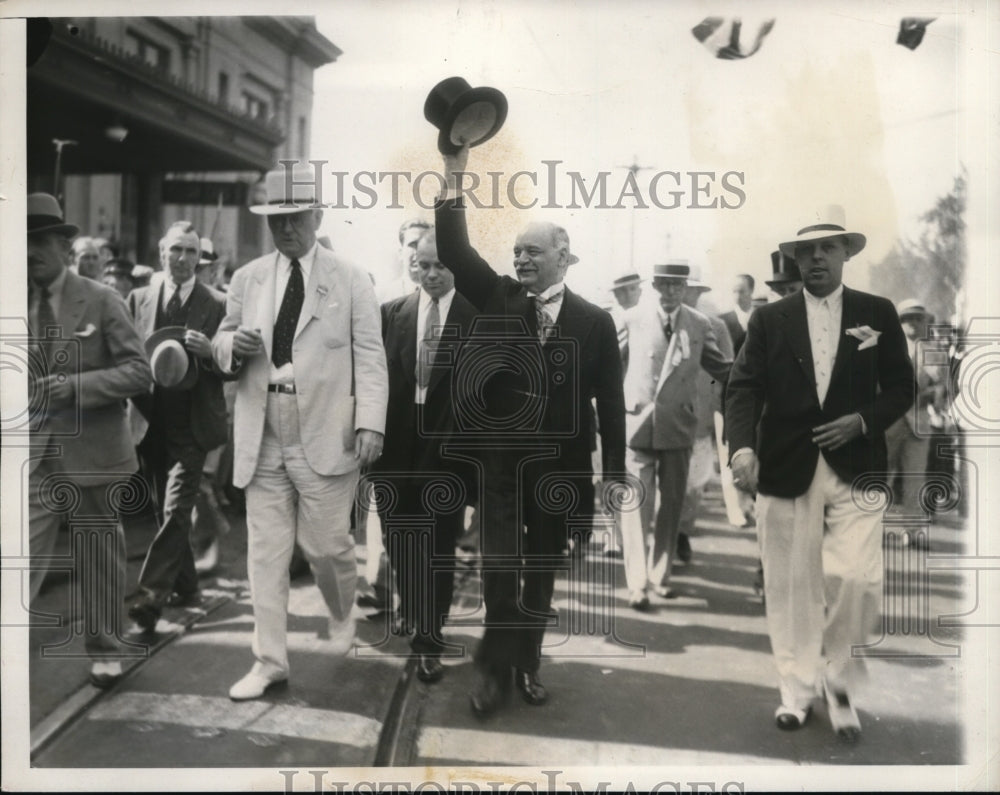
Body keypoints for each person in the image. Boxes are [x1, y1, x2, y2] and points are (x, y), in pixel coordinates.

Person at [436, 142, 625, 717]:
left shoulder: (594, 322)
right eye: (516, 251)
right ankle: (492, 673)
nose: (521, 260)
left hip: (560, 470)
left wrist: (611, 476)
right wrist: (454, 174)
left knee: (540, 574)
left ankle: (527, 664)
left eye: (533, 251)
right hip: (499, 466)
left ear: (564, 257)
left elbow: (611, 406)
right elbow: (453, 247)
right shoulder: (497, 296)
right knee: (499, 569)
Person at [726, 205, 914, 741]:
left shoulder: (876, 313)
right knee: (789, 585)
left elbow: (902, 387)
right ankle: (796, 691)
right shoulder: (769, 319)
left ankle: (840, 680)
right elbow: (743, 389)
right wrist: (741, 449)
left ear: (846, 255)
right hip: (787, 465)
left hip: (857, 465)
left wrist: (862, 421)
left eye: (826, 249)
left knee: (856, 577)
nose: (814, 259)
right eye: (805, 252)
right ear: (795, 260)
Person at [212, 163, 388, 701]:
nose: (286, 229)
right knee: (264, 553)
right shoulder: (248, 278)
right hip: (262, 426)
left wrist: (370, 425)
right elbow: (222, 341)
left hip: (325, 431)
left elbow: (371, 359)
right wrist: (229, 349)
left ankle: (341, 607)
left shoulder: (351, 278)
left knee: (328, 546)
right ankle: (269, 661)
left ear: (317, 215)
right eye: (275, 220)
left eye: (295, 218)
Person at [26, 193, 152, 688]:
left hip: (94, 453)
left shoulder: (100, 298)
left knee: (98, 553)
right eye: (21, 244)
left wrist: (77, 387)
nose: (29, 253)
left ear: (62, 245)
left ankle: (105, 648)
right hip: (33, 455)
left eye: (38, 242)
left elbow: (139, 372)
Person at [371, 227, 477, 683]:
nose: (431, 274)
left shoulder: (476, 316)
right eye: (424, 265)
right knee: (398, 541)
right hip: (395, 447)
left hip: (447, 451)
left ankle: (429, 638)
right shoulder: (391, 313)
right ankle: (416, 610)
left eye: (441, 265)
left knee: (437, 546)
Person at [125, 222, 230, 632]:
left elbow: (233, 368)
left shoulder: (218, 304)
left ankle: (150, 599)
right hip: (150, 420)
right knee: (161, 510)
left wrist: (211, 354)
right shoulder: (138, 299)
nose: (184, 259)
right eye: (176, 250)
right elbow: (129, 355)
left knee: (175, 508)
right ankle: (187, 585)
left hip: (193, 424)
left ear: (199, 259)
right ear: (161, 252)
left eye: (191, 252)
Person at [619, 261, 732, 607]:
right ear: (654, 286)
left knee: (670, 507)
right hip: (639, 424)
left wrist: (760, 368)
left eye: (677, 286)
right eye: (664, 285)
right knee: (636, 505)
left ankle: (660, 576)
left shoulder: (700, 324)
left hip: (679, 427)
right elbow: (609, 363)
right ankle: (637, 583)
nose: (670, 292)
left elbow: (721, 367)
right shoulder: (632, 319)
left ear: (685, 289)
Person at [676, 265, 734, 565]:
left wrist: (722, 413)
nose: (690, 295)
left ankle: (682, 532)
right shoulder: (665, 322)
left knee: (695, 483)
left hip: (701, 417)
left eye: (696, 290)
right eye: (687, 288)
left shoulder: (716, 326)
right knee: (669, 482)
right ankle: (668, 535)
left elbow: (729, 372)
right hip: (669, 416)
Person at [885, 299, 939, 535]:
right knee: (881, 475)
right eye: (907, 319)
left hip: (918, 420)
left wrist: (933, 394)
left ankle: (913, 530)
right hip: (889, 421)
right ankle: (871, 531)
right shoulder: (885, 348)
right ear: (899, 322)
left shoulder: (934, 351)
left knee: (915, 476)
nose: (913, 324)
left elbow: (942, 387)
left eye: (918, 318)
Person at [375, 218, 431, 304]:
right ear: (400, 253)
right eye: (413, 244)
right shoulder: (381, 296)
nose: (419, 251)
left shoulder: (445, 294)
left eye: (425, 244)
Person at [720, 273, 754, 354]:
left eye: (741, 291)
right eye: (734, 291)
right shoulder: (722, 320)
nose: (737, 296)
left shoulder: (761, 317)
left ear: (751, 290)